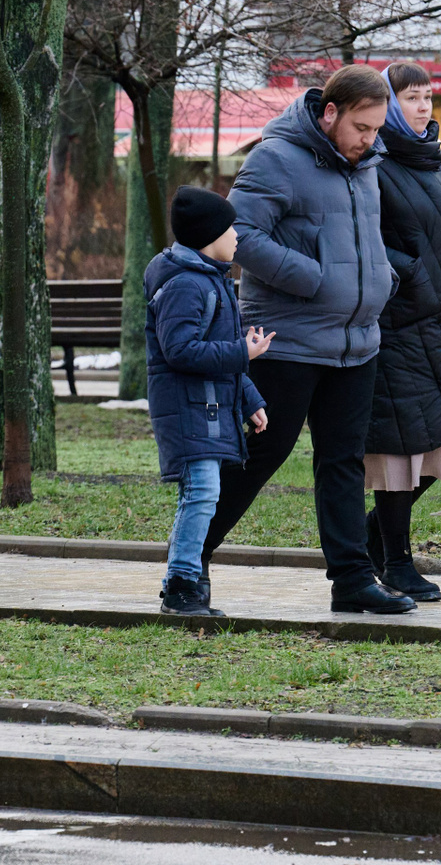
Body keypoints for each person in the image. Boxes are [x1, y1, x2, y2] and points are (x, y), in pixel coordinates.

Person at [203, 64, 414, 615]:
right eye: (361, 128)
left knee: (343, 462)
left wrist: (381, 278)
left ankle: (352, 581)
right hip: (286, 341)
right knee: (259, 455)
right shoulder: (275, 158)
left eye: (377, 129)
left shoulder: (367, 165)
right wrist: (312, 277)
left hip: (356, 343)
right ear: (329, 113)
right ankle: (189, 558)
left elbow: (363, 239)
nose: (370, 140)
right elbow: (239, 233)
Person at [362, 61, 441, 602]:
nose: (422, 106)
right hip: (396, 324)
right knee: (401, 450)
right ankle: (397, 562)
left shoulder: (435, 161)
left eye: (428, 96)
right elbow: (361, 234)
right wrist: (408, 271)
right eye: (411, 97)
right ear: (389, 103)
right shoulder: (372, 162)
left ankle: (369, 536)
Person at [144, 186, 273, 617]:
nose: (236, 236)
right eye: (229, 228)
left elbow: (222, 351)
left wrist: (249, 399)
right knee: (200, 492)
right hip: (188, 409)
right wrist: (243, 353)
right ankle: (182, 585)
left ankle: (181, 584)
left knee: (203, 493)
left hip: (209, 407)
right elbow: (180, 350)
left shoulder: (210, 278)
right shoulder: (186, 284)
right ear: (208, 236)